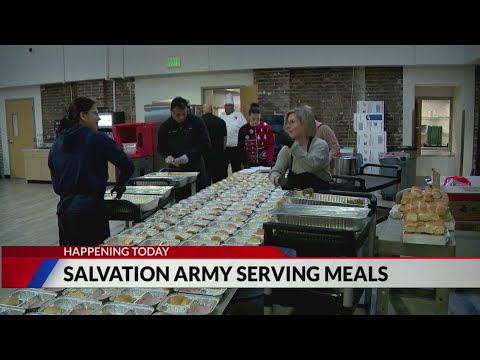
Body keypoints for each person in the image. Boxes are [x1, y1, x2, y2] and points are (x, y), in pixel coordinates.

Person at [48, 96, 135, 246]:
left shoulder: (56, 144)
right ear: (83, 115)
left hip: (65, 212)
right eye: (95, 113)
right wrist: (120, 184)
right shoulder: (97, 138)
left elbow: (55, 183)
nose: (99, 118)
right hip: (91, 211)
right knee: (95, 259)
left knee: (71, 260)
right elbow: (127, 165)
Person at [157, 97, 211, 196]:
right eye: (177, 115)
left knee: (199, 199)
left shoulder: (197, 122)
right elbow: (161, 148)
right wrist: (169, 158)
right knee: (179, 201)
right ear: (171, 112)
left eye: (184, 114)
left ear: (187, 110)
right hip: (175, 171)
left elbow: (206, 144)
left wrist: (188, 155)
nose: (181, 117)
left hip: (196, 168)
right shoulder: (165, 127)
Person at [270, 106, 331, 192]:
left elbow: (311, 166)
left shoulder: (320, 145)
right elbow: (275, 171)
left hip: (319, 197)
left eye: (292, 122)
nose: (288, 126)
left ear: (305, 124)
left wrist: (292, 146)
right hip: (296, 198)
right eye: (286, 123)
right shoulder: (287, 149)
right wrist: (279, 180)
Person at [237, 102, 275, 168]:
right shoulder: (243, 129)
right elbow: (240, 148)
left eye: (257, 119)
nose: (255, 121)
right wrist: (243, 162)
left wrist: (269, 160)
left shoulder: (266, 128)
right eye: (253, 119)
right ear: (249, 116)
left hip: (265, 162)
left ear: (260, 116)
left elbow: (270, 145)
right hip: (249, 163)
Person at [219, 93, 247, 174]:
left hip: (236, 148)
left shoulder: (239, 115)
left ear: (233, 106)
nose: (228, 108)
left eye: (229, 106)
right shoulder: (221, 116)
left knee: (236, 168)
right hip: (224, 148)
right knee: (223, 168)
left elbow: (245, 129)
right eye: (226, 106)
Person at [201, 104, 227, 184]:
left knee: (206, 179)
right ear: (211, 109)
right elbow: (225, 139)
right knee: (218, 180)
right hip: (218, 154)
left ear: (203, 110)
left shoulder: (199, 121)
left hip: (205, 155)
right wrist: (222, 149)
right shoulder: (221, 121)